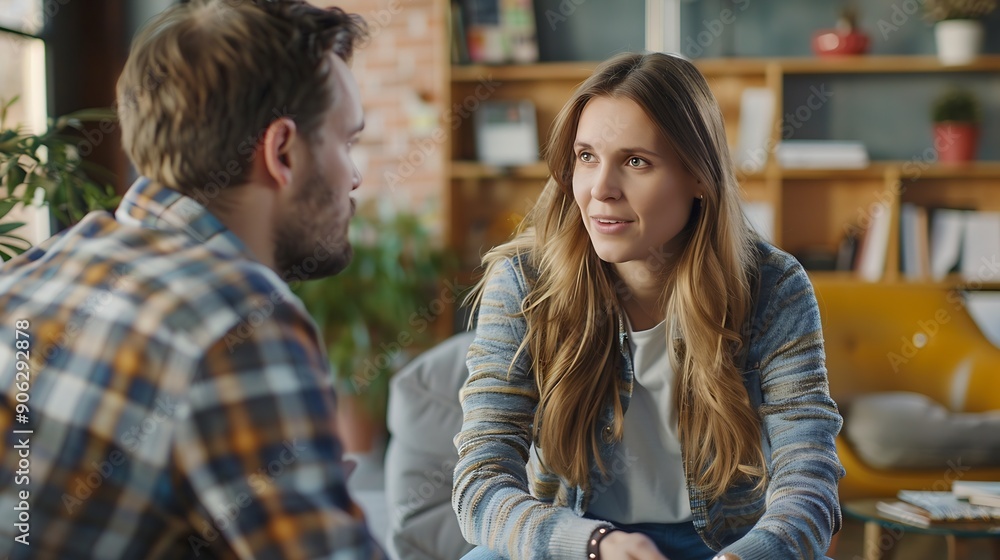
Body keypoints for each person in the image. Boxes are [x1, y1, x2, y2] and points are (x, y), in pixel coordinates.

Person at [0, 1, 382, 558]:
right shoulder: (239, 318)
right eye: (347, 142)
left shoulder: (28, 275)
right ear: (281, 152)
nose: (355, 175)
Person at [452, 52, 845, 560]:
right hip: (581, 542)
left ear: (699, 177)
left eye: (636, 161)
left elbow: (810, 477)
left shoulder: (772, 286)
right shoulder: (525, 282)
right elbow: (479, 483)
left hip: (725, 546)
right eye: (587, 156)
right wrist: (592, 545)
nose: (600, 190)